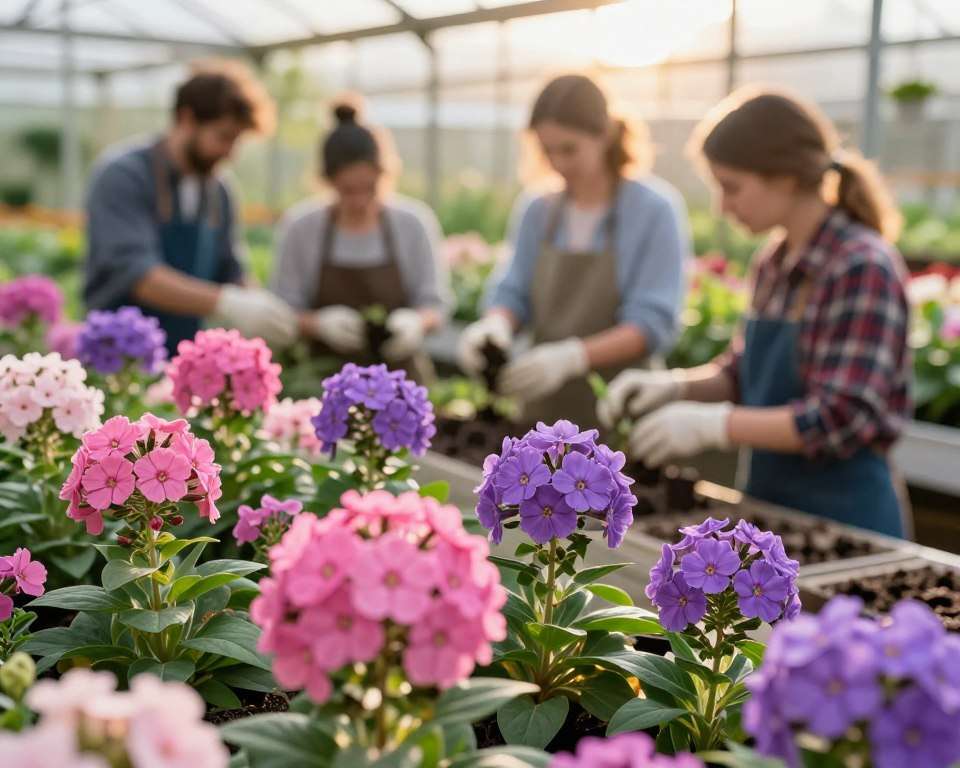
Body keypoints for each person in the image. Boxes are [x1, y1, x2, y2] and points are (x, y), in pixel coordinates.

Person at [598, 88, 911, 538]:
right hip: (770, 509)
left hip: (848, 523)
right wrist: (673, 387)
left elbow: (840, 417)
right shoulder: (774, 261)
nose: (722, 207)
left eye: (731, 187)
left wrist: (714, 425)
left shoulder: (860, 265)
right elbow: (744, 373)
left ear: (784, 177)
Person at [457, 74, 688, 429]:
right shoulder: (539, 209)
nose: (559, 163)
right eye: (548, 151)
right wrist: (496, 324)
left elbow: (651, 323)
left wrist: (572, 357)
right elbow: (514, 289)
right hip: (543, 411)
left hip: (618, 412)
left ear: (605, 135)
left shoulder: (653, 210)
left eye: (569, 149)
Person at [84, 60, 297, 354]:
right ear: (187, 119)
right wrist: (227, 302)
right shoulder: (125, 176)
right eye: (223, 137)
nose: (230, 152)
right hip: (118, 358)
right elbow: (138, 276)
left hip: (184, 356)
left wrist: (261, 308)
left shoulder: (218, 189)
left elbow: (231, 270)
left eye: (237, 141)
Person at [271, 102, 449, 376]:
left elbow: (435, 305)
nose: (359, 200)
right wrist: (318, 324)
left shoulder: (412, 224)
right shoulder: (301, 228)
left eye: (369, 188)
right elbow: (282, 310)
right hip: (322, 380)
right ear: (327, 180)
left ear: (384, 173)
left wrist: (416, 322)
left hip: (401, 383)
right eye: (347, 190)